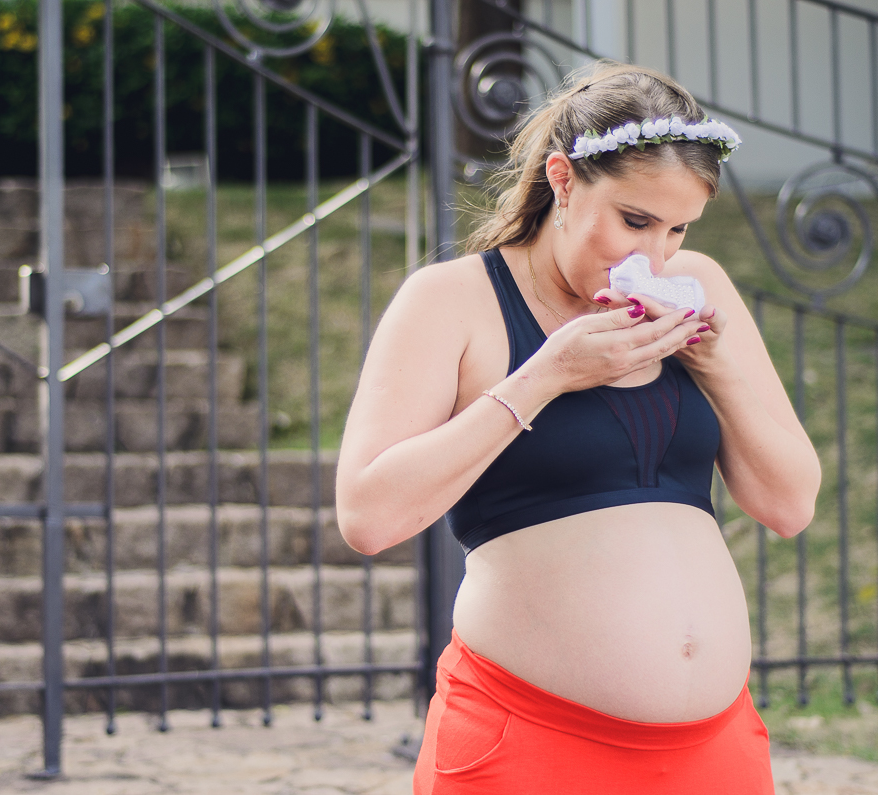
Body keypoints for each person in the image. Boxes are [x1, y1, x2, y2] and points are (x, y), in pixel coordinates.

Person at [335, 61, 821, 794]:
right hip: (528, 742)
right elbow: (368, 517)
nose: (653, 255)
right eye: (634, 220)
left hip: (711, 750)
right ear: (562, 181)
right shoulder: (450, 300)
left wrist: (715, 364)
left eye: (678, 227)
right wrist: (544, 377)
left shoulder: (701, 289)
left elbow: (790, 504)